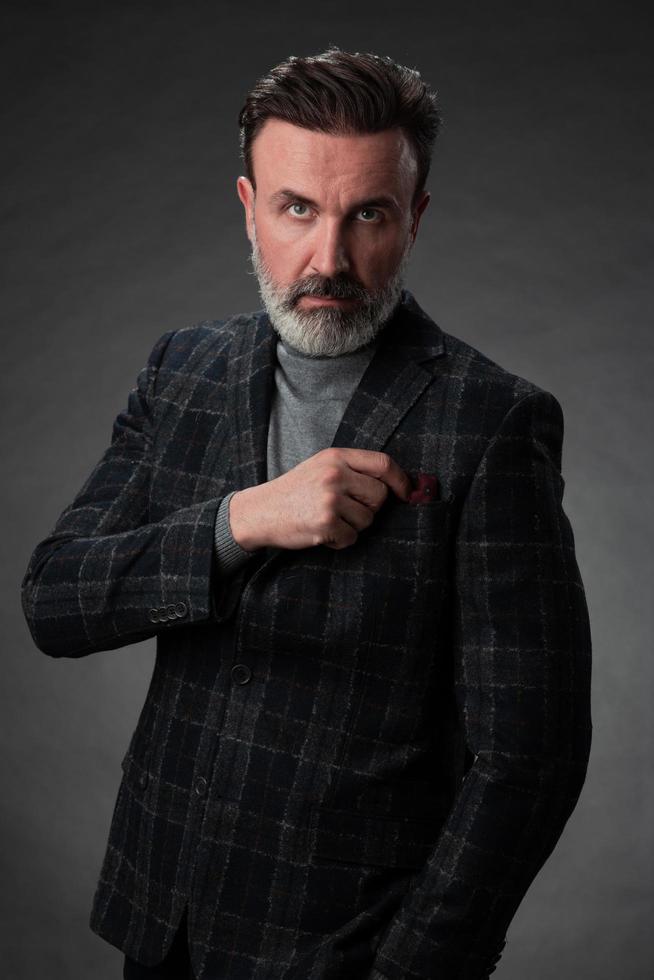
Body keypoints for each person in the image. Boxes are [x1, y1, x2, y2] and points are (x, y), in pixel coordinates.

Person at [21, 47, 593, 980]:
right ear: (249, 208)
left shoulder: (494, 423)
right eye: (297, 209)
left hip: (346, 944)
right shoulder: (183, 372)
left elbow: (531, 756)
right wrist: (240, 522)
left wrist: (412, 964)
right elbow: (54, 601)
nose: (328, 260)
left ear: (414, 219)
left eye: (367, 213)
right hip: (161, 918)